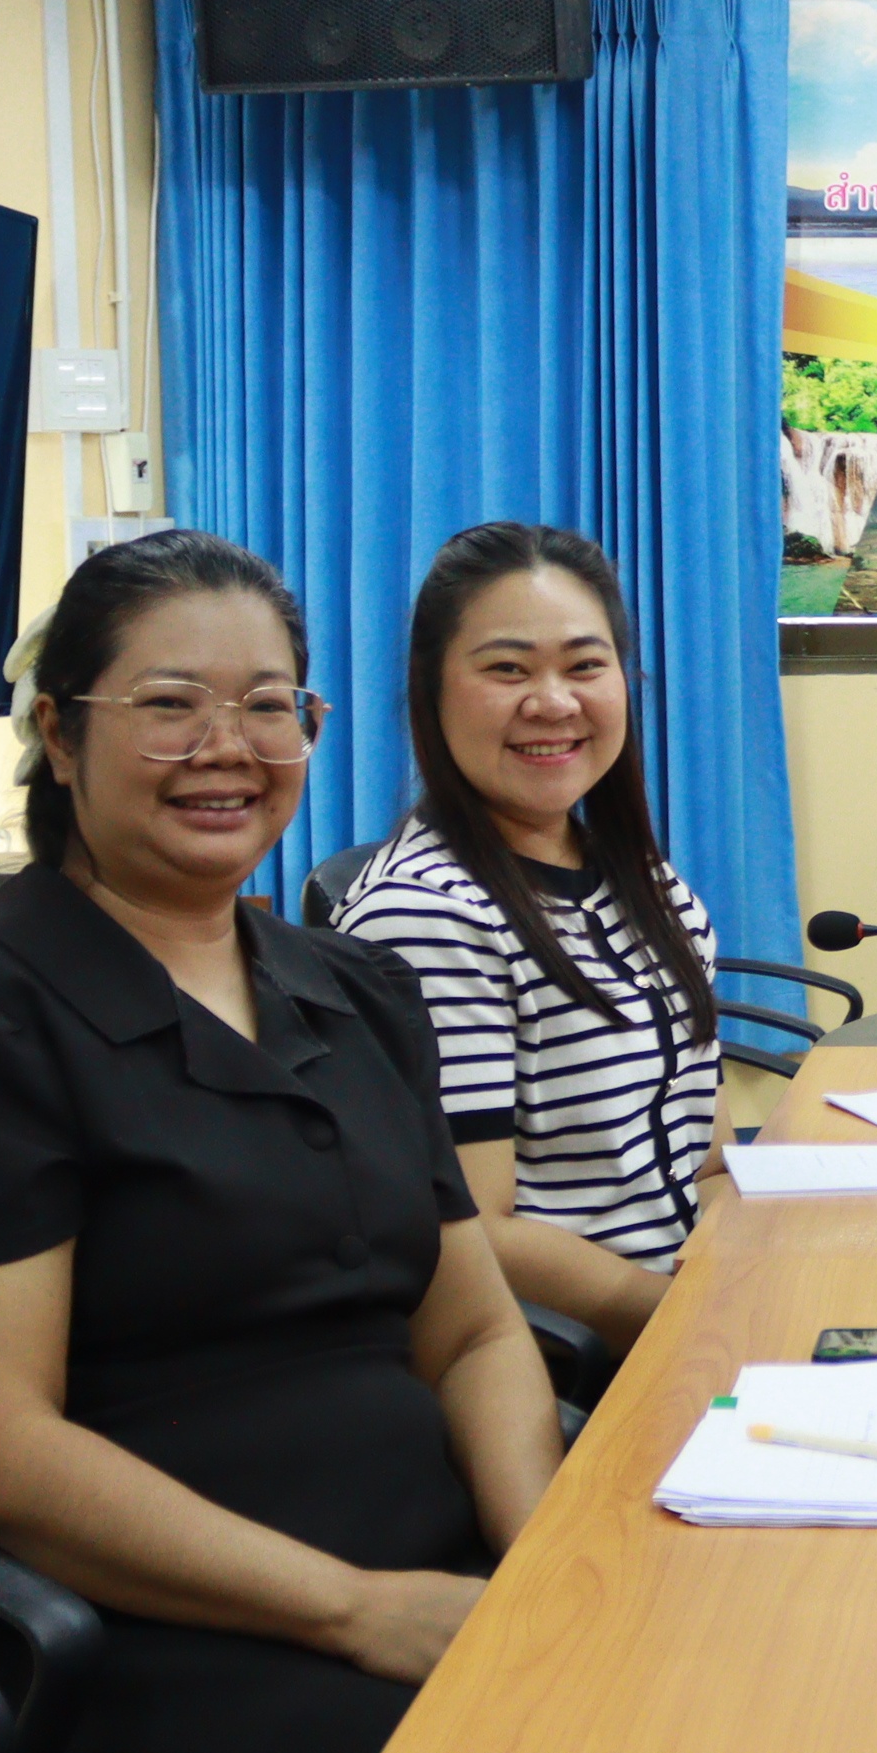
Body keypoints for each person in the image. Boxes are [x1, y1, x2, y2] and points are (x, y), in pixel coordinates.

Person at [0, 530, 564, 1753]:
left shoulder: (350, 990)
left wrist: (538, 1570)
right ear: (60, 733)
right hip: (138, 1645)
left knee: (686, 1722)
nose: (229, 747)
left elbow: (476, 1326)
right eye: (170, 705)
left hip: (420, 1577)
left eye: (270, 705)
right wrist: (362, 1611)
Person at [335, 522, 723, 1369]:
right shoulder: (427, 916)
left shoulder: (637, 878)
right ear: (432, 692)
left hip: (694, 1298)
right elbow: (474, 1229)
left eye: (584, 666)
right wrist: (700, 1321)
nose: (553, 702)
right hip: (593, 1357)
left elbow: (705, 1148)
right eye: (508, 669)